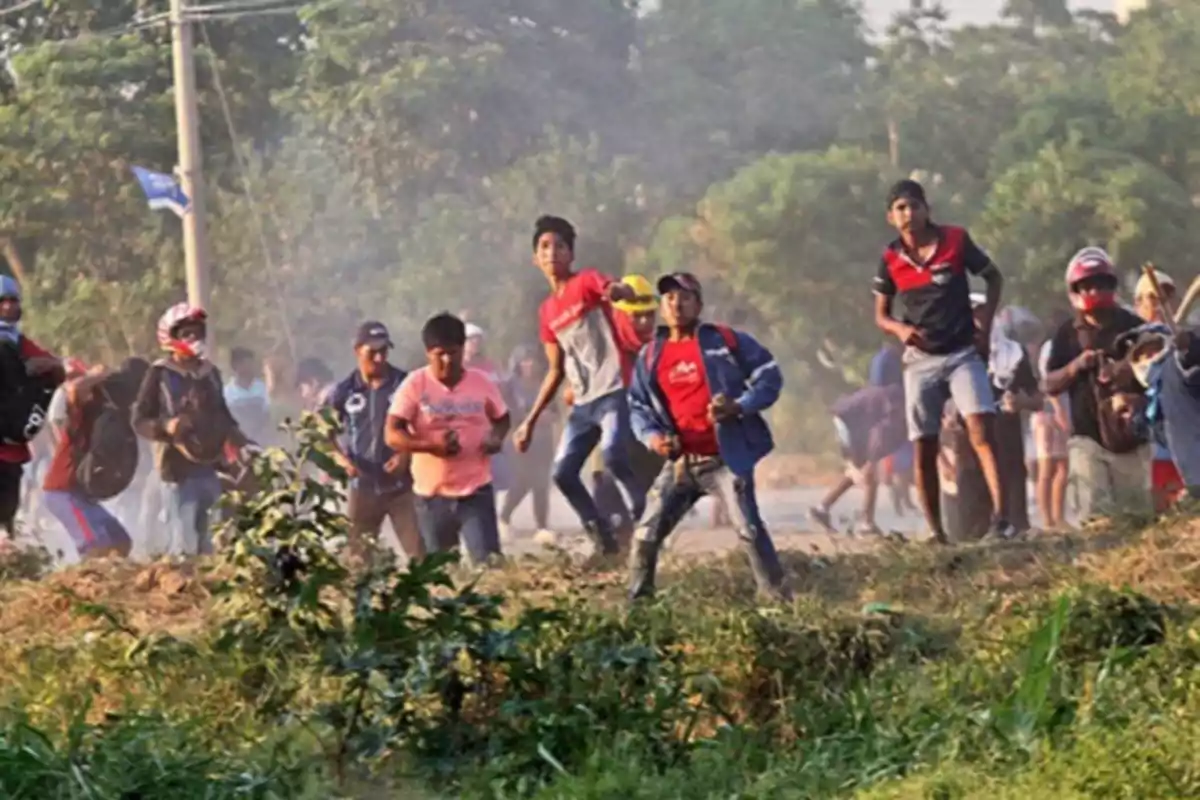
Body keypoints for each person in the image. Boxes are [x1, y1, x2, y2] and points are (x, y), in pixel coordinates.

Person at [626, 272, 789, 601]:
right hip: (681, 464)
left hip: (725, 460)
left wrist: (739, 406)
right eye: (669, 297)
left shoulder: (724, 341)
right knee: (645, 534)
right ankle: (637, 609)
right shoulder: (649, 355)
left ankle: (778, 602)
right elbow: (637, 407)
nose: (676, 303)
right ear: (662, 305)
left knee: (749, 529)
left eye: (685, 296)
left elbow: (769, 376)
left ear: (698, 304)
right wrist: (654, 438)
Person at [872, 179, 1011, 543]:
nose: (909, 214)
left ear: (926, 209)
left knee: (981, 427)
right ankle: (937, 532)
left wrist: (985, 321)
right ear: (891, 217)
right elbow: (881, 315)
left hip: (963, 351)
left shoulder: (955, 240)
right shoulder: (890, 259)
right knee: (924, 445)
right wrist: (900, 330)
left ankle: (1003, 519)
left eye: (914, 206)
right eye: (901, 208)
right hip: (920, 360)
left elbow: (993, 277)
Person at [512, 215, 642, 558]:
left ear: (571, 254)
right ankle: (604, 542)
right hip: (584, 404)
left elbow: (612, 288)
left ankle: (646, 518)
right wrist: (529, 421)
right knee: (563, 473)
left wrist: (619, 291)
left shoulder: (585, 282)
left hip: (613, 389)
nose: (552, 252)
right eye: (544, 247)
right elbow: (555, 370)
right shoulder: (547, 311)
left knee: (613, 453)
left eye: (559, 246)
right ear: (535, 259)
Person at [387, 313, 510, 565]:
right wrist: (432, 446)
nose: (447, 360)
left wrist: (495, 438)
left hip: (475, 491)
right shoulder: (414, 385)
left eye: (453, 352)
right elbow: (392, 434)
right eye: (439, 354)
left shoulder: (481, 382)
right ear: (427, 353)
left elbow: (502, 417)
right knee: (442, 574)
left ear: (463, 349)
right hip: (432, 496)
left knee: (489, 565)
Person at [133, 303, 248, 555]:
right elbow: (139, 419)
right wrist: (165, 426)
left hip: (210, 465)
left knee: (212, 540)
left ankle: (210, 590)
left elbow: (223, 415)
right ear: (172, 337)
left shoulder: (211, 373)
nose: (195, 339)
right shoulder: (160, 374)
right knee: (183, 541)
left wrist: (244, 444)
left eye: (198, 332)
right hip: (176, 469)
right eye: (188, 334)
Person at [1042, 248, 1148, 520]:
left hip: (1132, 441)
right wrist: (1076, 366)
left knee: (1135, 520)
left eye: (1100, 284)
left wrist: (1125, 373)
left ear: (1111, 286)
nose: (1094, 291)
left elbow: (1154, 373)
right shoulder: (1067, 333)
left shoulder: (1134, 327)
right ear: (1075, 290)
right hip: (1087, 439)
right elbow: (1049, 384)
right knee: (1095, 519)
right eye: (1087, 286)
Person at [324, 321, 422, 564]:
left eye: (384, 351)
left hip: (402, 487)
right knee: (358, 561)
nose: (379, 358)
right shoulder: (343, 391)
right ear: (357, 350)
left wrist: (405, 455)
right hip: (362, 487)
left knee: (421, 556)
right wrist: (340, 459)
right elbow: (321, 433)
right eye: (372, 352)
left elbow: (423, 425)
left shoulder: (405, 384)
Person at [41, 358, 149, 560]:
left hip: (81, 493)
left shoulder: (113, 418)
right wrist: (97, 375)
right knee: (96, 546)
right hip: (62, 491)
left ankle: (114, 585)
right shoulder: (83, 414)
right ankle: (87, 587)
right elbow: (74, 390)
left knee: (120, 541)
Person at [0, 275, 65, 539]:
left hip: (10, 450)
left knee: (6, 518)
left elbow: (57, 369)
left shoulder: (20, 342)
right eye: (1, 302)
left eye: (12, 300)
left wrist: (47, 366)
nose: (7, 307)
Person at [972, 295, 1043, 534]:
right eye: (972, 314)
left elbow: (1037, 399)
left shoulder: (1013, 354)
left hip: (1008, 446)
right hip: (969, 455)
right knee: (968, 533)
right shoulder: (955, 355)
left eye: (983, 313)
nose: (978, 320)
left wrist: (1022, 401)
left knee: (1015, 529)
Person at [808, 383, 907, 536]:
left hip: (850, 420)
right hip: (847, 420)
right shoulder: (897, 405)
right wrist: (872, 461)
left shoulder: (899, 400)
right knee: (868, 472)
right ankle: (866, 524)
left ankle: (822, 508)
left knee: (858, 470)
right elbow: (880, 435)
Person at [1122, 323, 1200, 498]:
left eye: (1154, 351)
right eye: (1143, 356)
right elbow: (1162, 432)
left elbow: (1189, 365)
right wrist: (1136, 418)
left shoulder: (1177, 369)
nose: (1150, 359)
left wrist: (1189, 346)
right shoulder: (1155, 394)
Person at [1132, 271, 1185, 511]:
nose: (1161, 306)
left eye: (1166, 299)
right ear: (1138, 303)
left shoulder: (1184, 337)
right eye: (1153, 299)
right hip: (1146, 444)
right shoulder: (1132, 338)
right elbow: (1143, 373)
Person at [498, 344, 557, 545]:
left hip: (543, 441)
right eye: (524, 361)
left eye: (532, 360)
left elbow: (554, 413)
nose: (529, 365)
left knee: (542, 483)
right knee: (522, 481)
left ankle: (542, 527)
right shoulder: (510, 386)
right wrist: (531, 419)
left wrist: (542, 418)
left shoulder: (545, 384)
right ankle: (504, 518)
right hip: (519, 441)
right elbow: (508, 414)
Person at [868, 339, 916, 517]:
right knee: (896, 456)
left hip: (900, 412)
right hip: (891, 415)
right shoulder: (884, 359)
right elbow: (879, 390)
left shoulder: (896, 358)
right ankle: (897, 495)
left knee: (905, 456)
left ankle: (905, 496)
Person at [1032, 329, 1071, 529]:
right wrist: (1059, 411)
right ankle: (1048, 520)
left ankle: (1058, 517)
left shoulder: (1058, 347)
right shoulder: (1053, 348)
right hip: (1049, 412)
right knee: (1047, 467)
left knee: (1063, 467)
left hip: (1060, 407)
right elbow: (1049, 383)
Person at [223, 347, 272, 445]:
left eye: (251, 363)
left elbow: (267, 414)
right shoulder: (227, 392)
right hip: (238, 442)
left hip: (261, 440)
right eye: (246, 364)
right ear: (235, 366)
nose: (250, 367)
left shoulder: (261, 388)